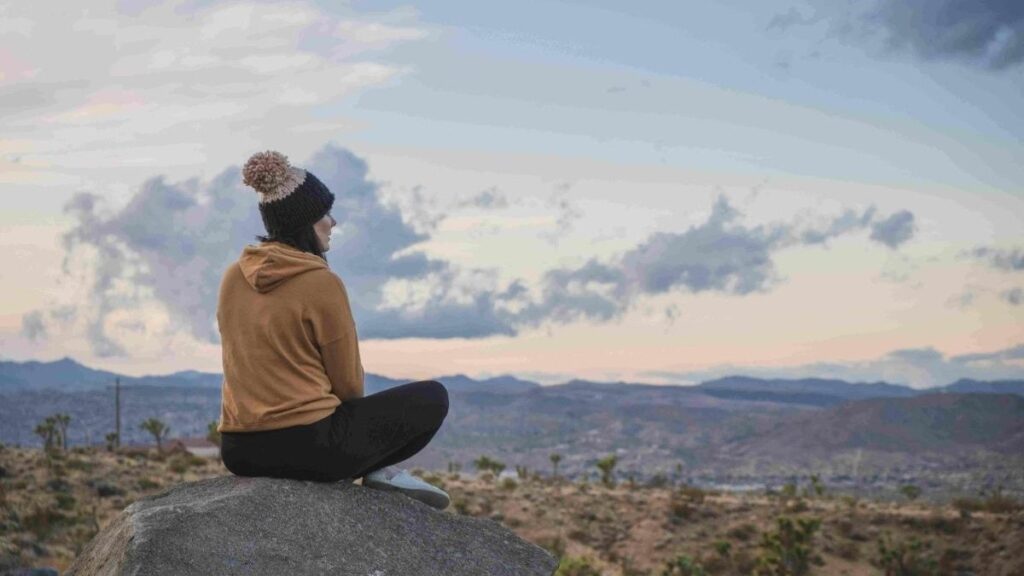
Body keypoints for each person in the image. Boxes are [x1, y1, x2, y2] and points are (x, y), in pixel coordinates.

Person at [216, 149, 451, 510]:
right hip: (308, 446)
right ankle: (377, 470)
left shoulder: (233, 276)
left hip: (238, 449)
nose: (334, 221)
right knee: (433, 397)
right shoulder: (321, 282)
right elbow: (349, 386)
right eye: (326, 213)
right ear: (306, 221)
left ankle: (376, 468)